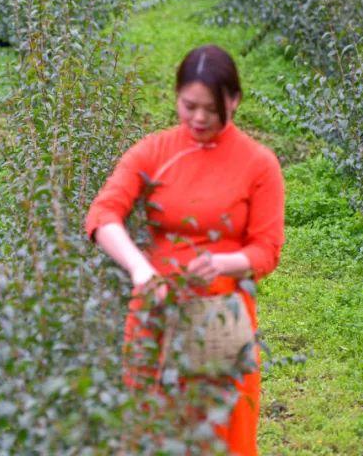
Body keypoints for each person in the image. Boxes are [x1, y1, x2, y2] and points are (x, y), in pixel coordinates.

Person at [85, 45, 285, 454]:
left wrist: (225, 262)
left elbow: (267, 250)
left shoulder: (258, 164)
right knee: (151, 429)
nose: (197, 118)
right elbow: (103, 214)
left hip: (220, 315)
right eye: (188, 105)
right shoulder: (156, 151)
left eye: (210, 109)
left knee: (221, 434)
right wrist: (142, 272)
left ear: (234, 101)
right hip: (157, 309)